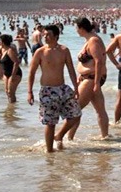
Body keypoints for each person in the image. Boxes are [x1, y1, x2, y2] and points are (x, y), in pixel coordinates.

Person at [27, 24, 82, 153]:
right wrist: (30, 92)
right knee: (50, 123)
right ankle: (49, 151)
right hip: (47, 90)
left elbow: (71, 70)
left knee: (76, 115)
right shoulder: (40, 52)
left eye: (48, 35)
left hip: (63, 89)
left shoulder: (64, 50)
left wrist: (76, 88)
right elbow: (32, 72)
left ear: (56, 36)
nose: (45, 37)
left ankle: (59, 136)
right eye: (44, 34)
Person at [67, 18, 109, 139]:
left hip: (92, 78)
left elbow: (99, 61)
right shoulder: (89, 40)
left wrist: (96, 83)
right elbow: (90, 62)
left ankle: (67, 138)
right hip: (88, 78)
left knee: (74, 109)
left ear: (81, 28)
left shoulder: (93, 40)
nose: (76, 30)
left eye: (76, 28)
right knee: (100, 109)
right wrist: (81, 76)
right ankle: (105, 137)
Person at [0, 34, 23, 103]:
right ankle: (11, 108)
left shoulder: (10, 50)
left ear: (3, 42)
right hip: (6, 73)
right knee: (7, 92)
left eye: (0, 41)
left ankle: (13, 110)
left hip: (15, 73)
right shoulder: (4, 50)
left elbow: (16, 62)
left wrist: (13, 75)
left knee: (11, 92)